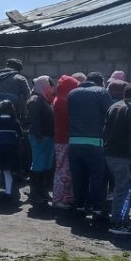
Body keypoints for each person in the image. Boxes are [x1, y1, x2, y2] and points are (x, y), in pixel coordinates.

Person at [66, 72, 113, 220]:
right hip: (95, 143)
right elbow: (110, 115)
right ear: (100, 82)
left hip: (74, 142)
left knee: (78, 177)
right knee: (96, 178)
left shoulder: (72, 93)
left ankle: (80, 206)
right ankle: (97, 209)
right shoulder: (102, 93)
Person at [106, 82, 131, 235]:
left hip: (109, 154)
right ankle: (117, 222)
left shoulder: (113, 107)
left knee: (119, 188)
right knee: (124, 190)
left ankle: (123, 218)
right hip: (124, 157)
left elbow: (105, 130)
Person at [51, 74, 80, 210]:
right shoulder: (63, 102)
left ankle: (64, 198)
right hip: (64, 140)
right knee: (63, 171)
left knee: (64, 170)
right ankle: (58, 199)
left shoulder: (58, 99)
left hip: (60, 138)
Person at [26, 75, 55, 205]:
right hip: (40, 137)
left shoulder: (44, 99)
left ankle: (43, 191)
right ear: (43, 85)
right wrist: (38, 135)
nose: (51, 87)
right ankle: (34, 192)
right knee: (38, 163)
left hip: (47, 137)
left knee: (46, 164)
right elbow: (34, 119)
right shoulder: (35, 99)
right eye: (50, 84)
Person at [0, 99, 25, 200]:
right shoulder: (15, 122)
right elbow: (21, 136)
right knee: (8, 171)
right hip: (11, 149)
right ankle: (8, 192)